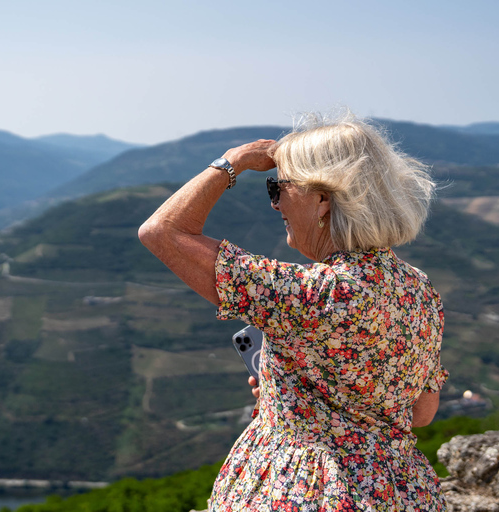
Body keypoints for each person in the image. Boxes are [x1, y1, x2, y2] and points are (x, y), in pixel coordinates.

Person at [138, 112, 448, 511]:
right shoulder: (419, 289)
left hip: (304, 490)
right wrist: (290, 394)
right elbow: (421, 412)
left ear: (322, 200)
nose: (275, 203)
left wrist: (232, 162)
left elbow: (162, 232)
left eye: (279, 187)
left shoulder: (309, 295)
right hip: (399, 490)